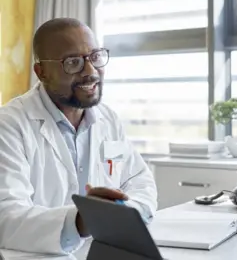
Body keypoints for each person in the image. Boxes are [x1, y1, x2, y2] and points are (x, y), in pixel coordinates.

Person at [0, 18, 157, 254]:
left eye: (95, 57)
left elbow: (140, 183)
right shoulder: (9, 125)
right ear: (41, 72)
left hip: (105, 251)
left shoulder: (108, 119)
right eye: (73, 62)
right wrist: (81, 221)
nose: (90, 71)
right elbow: (6, 217)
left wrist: (119, 216)